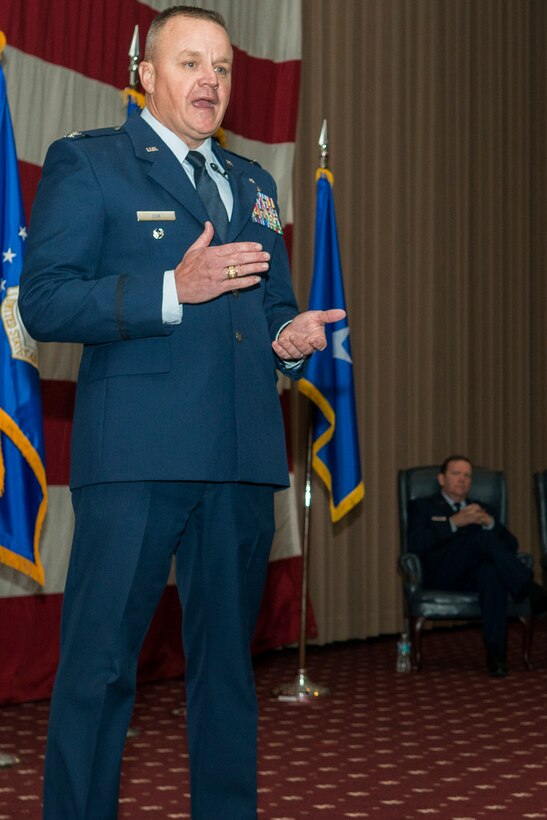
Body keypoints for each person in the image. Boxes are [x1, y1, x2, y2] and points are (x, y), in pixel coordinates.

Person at [19, 7, 345, 818]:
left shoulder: (253, 185)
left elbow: (269, 306)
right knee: (100, 667)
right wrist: (173, 288)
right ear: (147, 75)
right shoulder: (90, 164)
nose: (210, 81)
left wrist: (290, 336)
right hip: (136, 458)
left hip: (237, 461)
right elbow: (47, 301)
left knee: (228, 673)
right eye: (191, 63)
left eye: (224, 68)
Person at [408, 455, 547, 677]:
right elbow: (416, 544)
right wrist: (454, 522)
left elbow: (511, 545)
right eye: (456, 474)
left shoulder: (483, 508)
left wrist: (489, 523)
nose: (462, 480)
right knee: (480, 540)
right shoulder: (422, 506)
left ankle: (496, 655)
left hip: (473, 576)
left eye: (467, 476)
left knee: (491, 573)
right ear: (442, 479)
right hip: (441, 574)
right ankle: (529, 588)